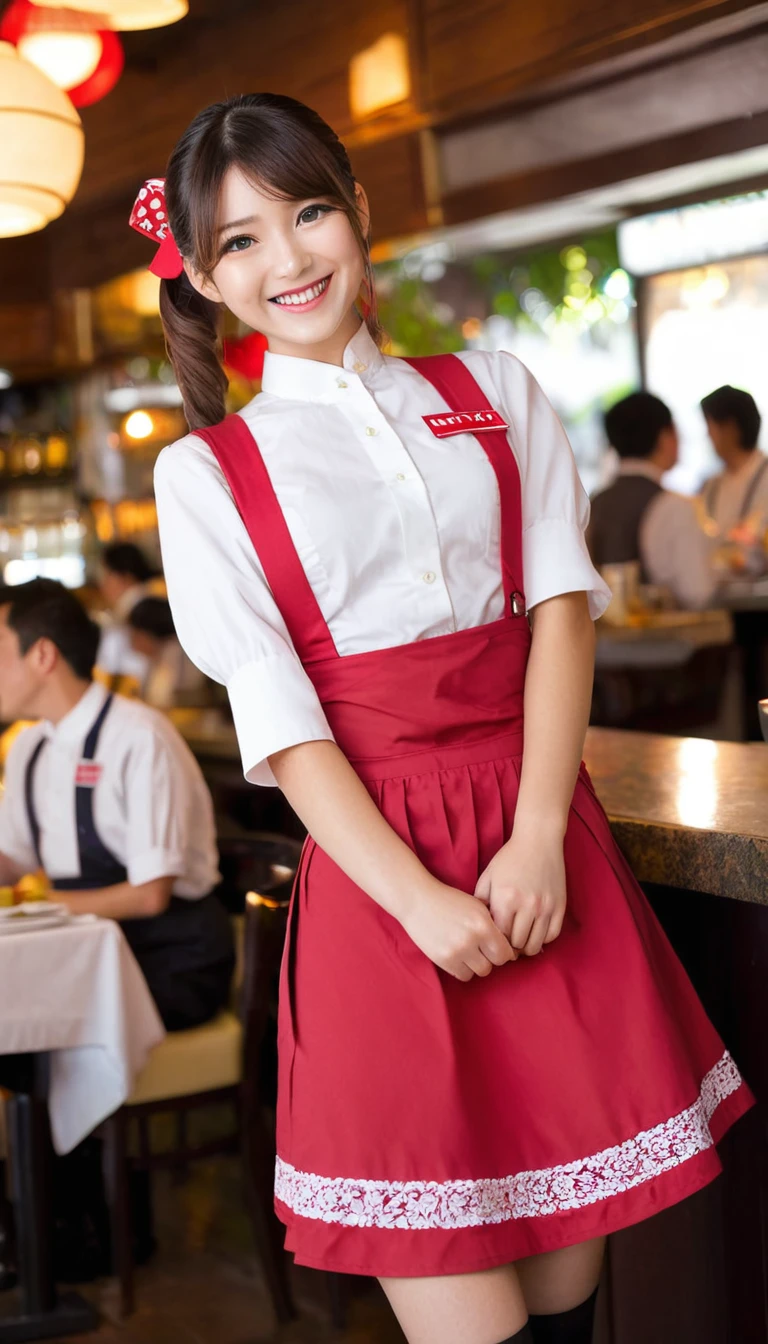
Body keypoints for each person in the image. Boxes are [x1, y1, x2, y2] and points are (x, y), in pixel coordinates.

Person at [145, 94, 751, 1344]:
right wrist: (417, 899)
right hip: (384, 885)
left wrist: (538, 836)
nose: (288, 259)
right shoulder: (207, 472)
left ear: (360, 213)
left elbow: (560, 616)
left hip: (543, 855)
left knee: (568, 1310)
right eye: (242, 241)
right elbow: (284, 722)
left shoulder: (493, 389)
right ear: (204, 276)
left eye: (308, 213)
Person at [0, 579, 234, 1031]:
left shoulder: (140, 738)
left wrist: (39, 905)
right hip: (84, 951)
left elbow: (150, 896)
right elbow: (12, 859)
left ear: (43, 655)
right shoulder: (29, 747)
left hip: (171, 959)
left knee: (28, 1014)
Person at [588, 391, 717, 609]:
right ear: (664, 436)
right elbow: (698, 592)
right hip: (669, 640)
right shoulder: (673, 506)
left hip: (600, 639)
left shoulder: (595, 503)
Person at [700, 385, 768, 537]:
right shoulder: (713, 484)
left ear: (730, 428)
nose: (708, 435)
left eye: (710, 427)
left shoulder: (764, 476)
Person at [127, 595, 208, 708]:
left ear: (150, 633)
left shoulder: (176, 654)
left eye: (135, 634)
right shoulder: (159, 657)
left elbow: (168, 702)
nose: (131, 642)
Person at [96, 541, 156, 686]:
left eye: (107, 575)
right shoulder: (147, 601)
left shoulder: (141, 611)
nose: (102, 583)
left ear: (125, 575)